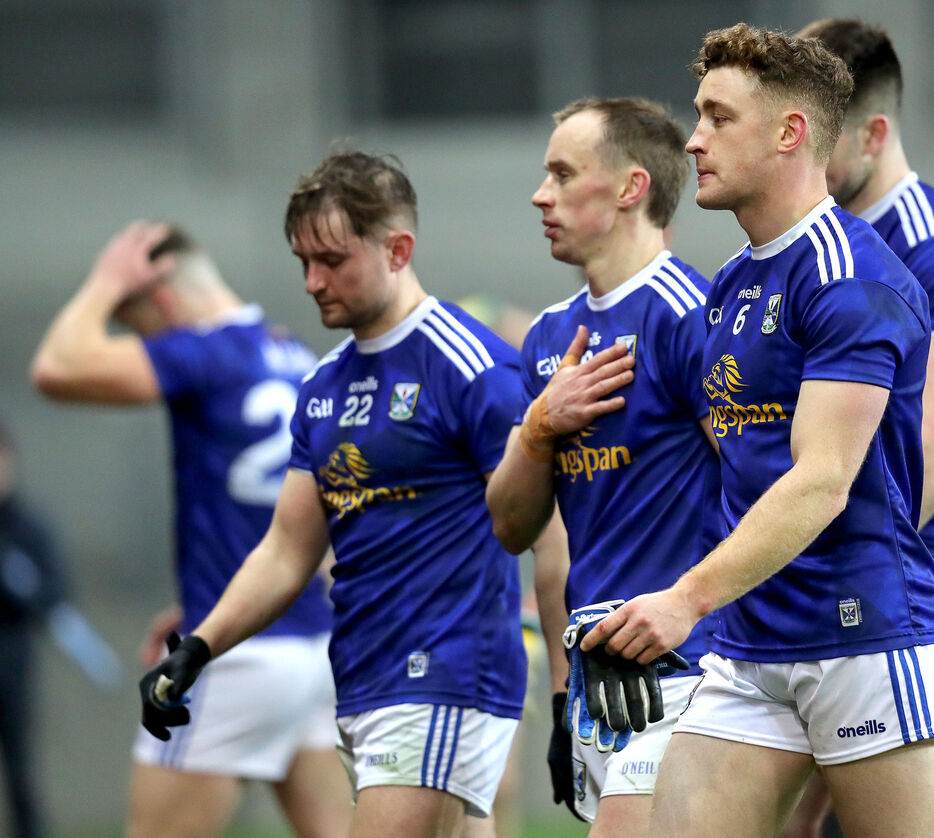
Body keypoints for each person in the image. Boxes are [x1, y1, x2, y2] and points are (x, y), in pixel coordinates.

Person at [582, 24, 934, 838]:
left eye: (719, 118)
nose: (694, 140)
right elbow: (729, 469)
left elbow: (821, 480)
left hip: (864, 634)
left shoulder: (851, 276)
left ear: (790, 133)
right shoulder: (731, 286)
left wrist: (683, 599)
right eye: (698, 115)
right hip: (750, 644)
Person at [132, 151, 561, 838]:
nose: (312, 281)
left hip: (446, 671)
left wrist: (568, 689)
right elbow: (286, 550)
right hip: (364, 676)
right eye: (303, 261)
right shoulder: (324, 385)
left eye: (332, 260)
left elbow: (547, 528)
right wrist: (198, 648)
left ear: (398, 249)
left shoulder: (471, 366)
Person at [30, 224, 349, 838]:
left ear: (165, 299)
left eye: (138, 323)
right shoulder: (294, 355)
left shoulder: (204, 352)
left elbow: (55, 367)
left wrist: (104, 284)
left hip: (237, 660)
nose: (141, 341)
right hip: (312, 647)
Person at [785, 22, 934, 829]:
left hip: (926, 566)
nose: (795, 152)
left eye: (813, 134)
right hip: (834, 561)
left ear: (873, 134)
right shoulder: (812, 246)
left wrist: (826, 550)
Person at [485, 96, 721, 836]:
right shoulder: (552, 337)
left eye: (561, 173)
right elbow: (513, 528)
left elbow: (765, 489)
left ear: (629, 188)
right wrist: (538, 429)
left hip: (693, 663)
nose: (540, 194)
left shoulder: (694, 317)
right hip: (601, 672)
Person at [0, 421, 121, 838]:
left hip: (12, 658)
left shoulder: (29, 527)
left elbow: (53, 596)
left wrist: (19, 588)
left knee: (20, 768)